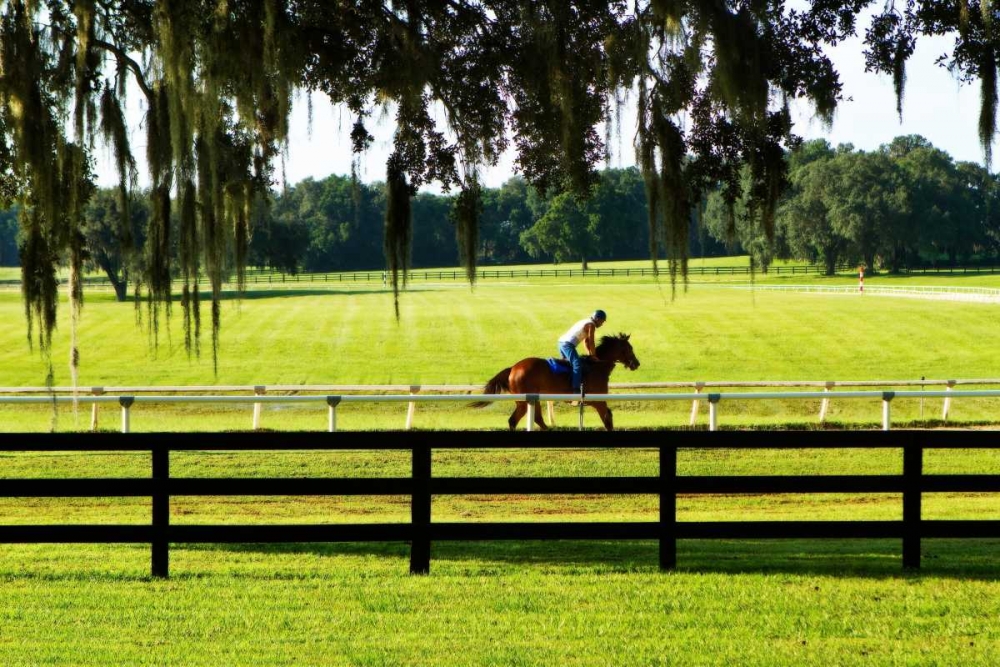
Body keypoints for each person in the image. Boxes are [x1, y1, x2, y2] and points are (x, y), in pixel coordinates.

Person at [557, 309, 607, 393]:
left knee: (568, 365)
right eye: (602, 321)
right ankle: (576, 390)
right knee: (577, 364)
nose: (602, 324)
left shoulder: (586, 321)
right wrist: (594, 356)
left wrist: (590, 355)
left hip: (561, 343)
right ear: (597, 319)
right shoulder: (591, 325)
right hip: (567, 345)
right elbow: (591, 341)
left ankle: (566, 386)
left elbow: (586, 341)